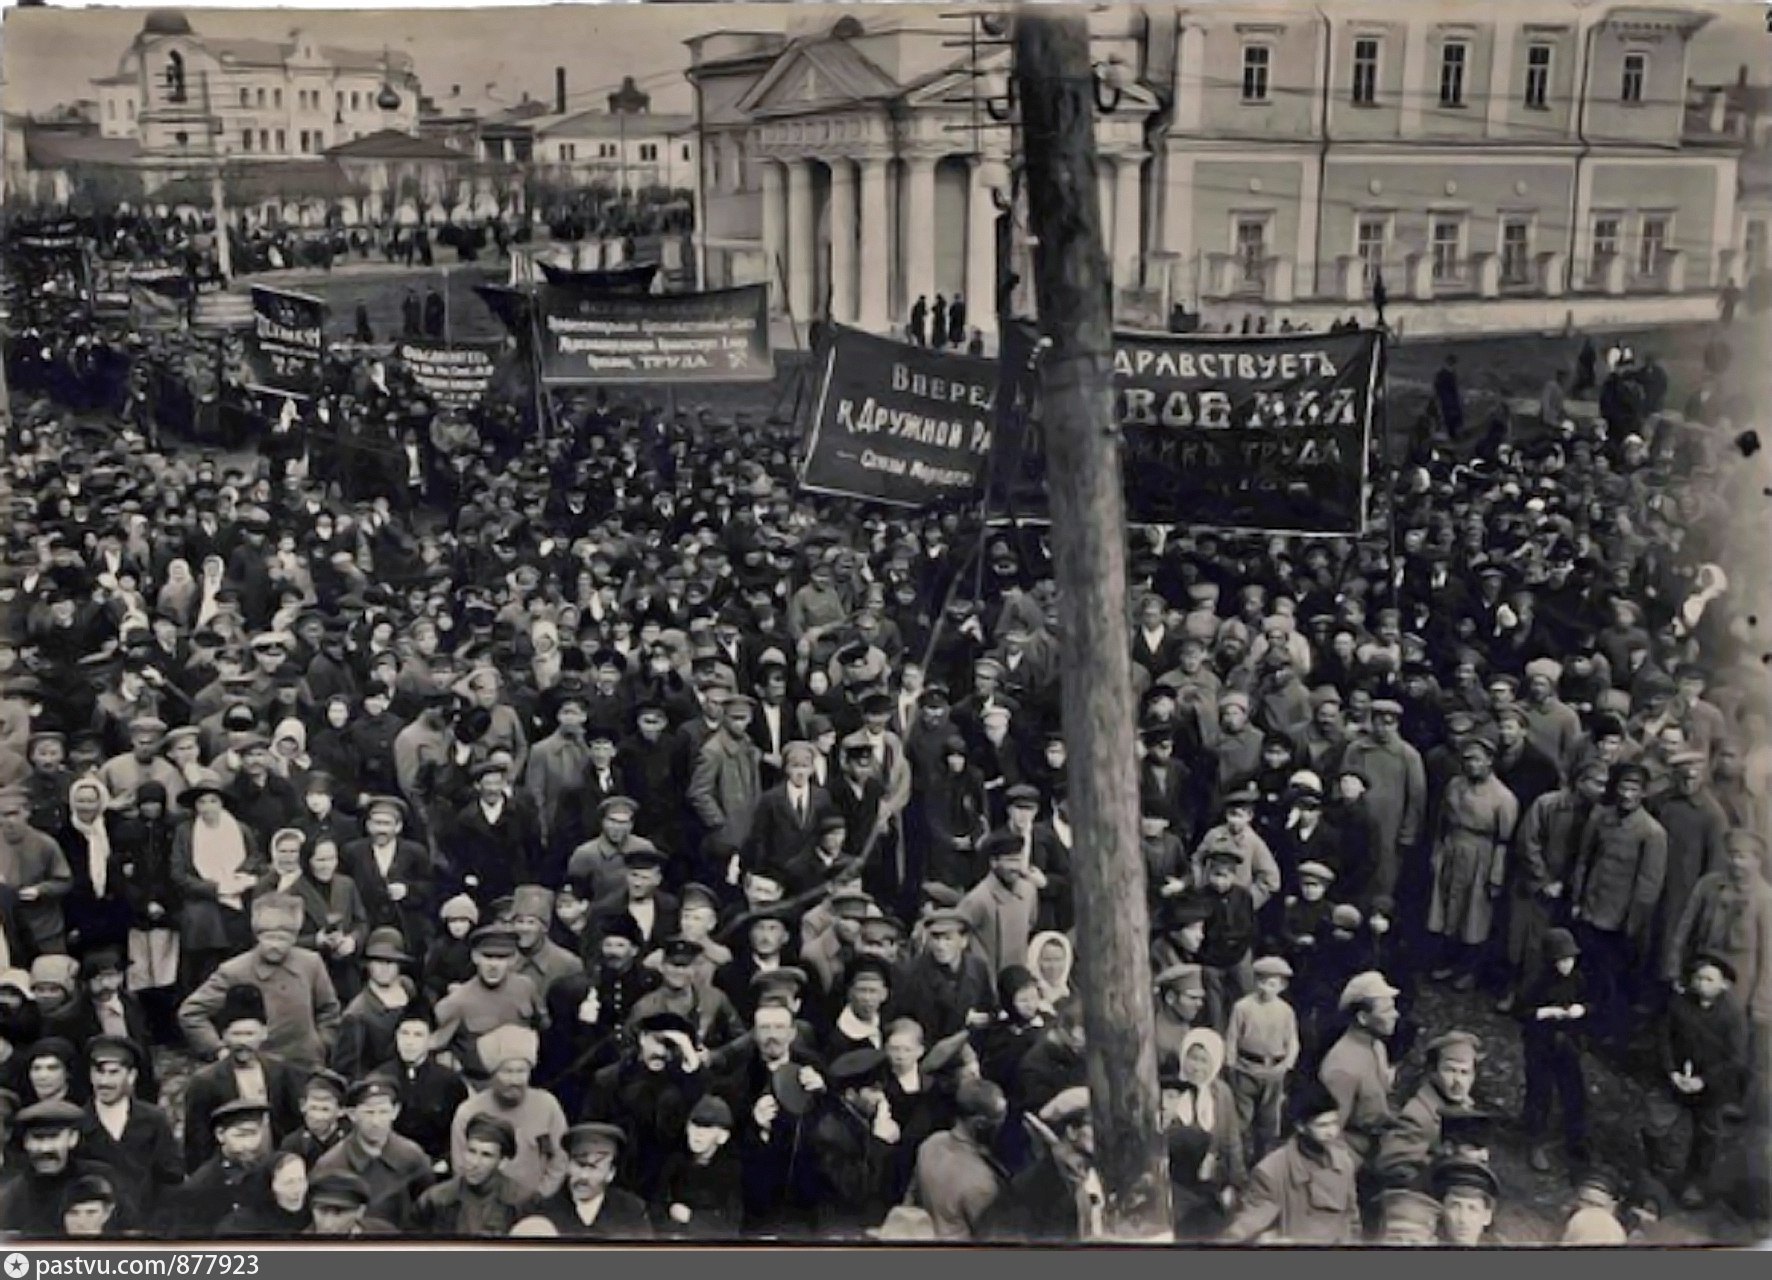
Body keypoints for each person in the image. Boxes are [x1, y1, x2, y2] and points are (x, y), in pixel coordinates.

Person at [1223, 1081, 1361, 1244]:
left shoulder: (1344, 1163)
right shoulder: (1272, 1171)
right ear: (1301, 1127)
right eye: (1322, 1125)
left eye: (1334, 1123)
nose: (1332, 1132)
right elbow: (1250, 1222)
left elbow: (1352, 1220)